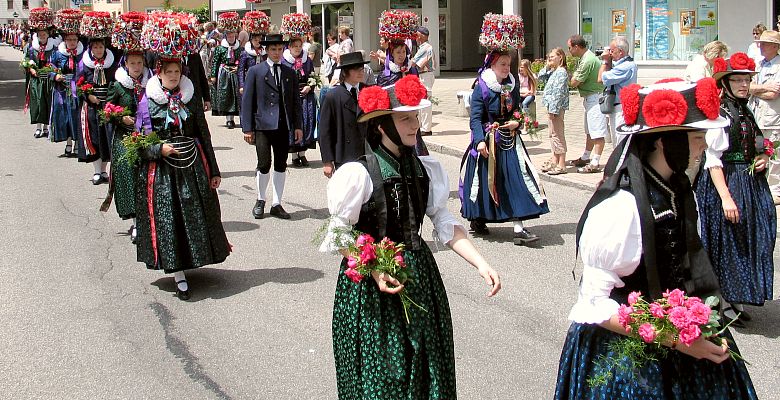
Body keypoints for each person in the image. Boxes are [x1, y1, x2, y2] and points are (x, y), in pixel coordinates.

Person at [554, 80, 756, 399]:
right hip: (628, 355)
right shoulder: (621, 208)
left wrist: (699, 328)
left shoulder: (678, 192)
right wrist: (679, 340)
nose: (704, 146)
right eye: (697, 137)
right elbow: (595, 304)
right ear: (665, 142)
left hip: (685, 342)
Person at [319, 76, 501, 399]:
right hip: (369, 289)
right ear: (381, 126)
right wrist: (373, 267)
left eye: (415, 116)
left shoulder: (425, 169)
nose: (414, 124)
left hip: (419, 278)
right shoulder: (360, 174)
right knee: (382, 376)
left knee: (424, 367)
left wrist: (481, 263)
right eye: (405, 118)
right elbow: (338, 232)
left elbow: (443, 221)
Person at [135, 13, 230, 301]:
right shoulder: (147, 102)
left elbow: (204, 135)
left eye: (177, 73)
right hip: (163, 171)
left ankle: (193, 259)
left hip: (193, 166)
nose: (174, 77)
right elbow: (138, 142)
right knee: (169, 218)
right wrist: (158, 149)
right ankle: (178, 274)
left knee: (195, 213)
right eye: (169, 73)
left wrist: (213, 170)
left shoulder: (190, 100)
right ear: (159, 74)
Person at [696, 54, 776, 327]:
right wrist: (726, 198)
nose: (743, 84)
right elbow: (712, 159)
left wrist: (764, 158)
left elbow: (755, 144)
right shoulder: (721, 113)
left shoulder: (745, 109)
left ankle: (737, 299)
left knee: (754, 238)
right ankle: (723, 303)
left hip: (749, 182)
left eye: (746, 80)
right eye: (737, 80)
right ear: (725, 83)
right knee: (729, 243)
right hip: (726, 182)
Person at [461, 50, 549, 244]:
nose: (506, 68)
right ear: (492, 66)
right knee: (486, 183)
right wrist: (480, 141)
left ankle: (519, 228)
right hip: (488, 142)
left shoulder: (512, 84)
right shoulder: (481, 87)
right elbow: (475, 119)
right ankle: (479, 218)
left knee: (517, 181)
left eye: (508, 64)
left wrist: (517, 122)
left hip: (509, 140)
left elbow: (517, 109)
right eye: (502, 64)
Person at [240, 33, 303, 220]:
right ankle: (260, 199)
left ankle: (277, 203)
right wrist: (247, 128)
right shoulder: (256, 71)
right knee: (264, 163)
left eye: (279, 49)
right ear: (266, 50)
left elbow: (295, 102)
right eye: (273, 49)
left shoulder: (289, 73)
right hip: (262, 126)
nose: (276, 53)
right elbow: (247, 101)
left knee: (281, 164)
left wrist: (298, 125)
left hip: (282, 125)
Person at [100, 12, 149, 244]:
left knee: (147, 179)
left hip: (147, 137)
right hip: (124, 139)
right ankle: (135, 224)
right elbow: (108, 111)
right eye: (133, 63)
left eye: (140, 63)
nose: (137, 67)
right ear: (126, 65)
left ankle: (149, 219)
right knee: (129, 179)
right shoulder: (119, 86)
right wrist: (122, 119)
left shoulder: (152, 85)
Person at [74, 12, 117, 185]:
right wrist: (88, 95)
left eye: (101, 47)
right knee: (93, 138)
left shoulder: (112, 64)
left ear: (105, 48)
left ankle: (105, 171)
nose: (98, 50)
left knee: (106, 138)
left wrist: (110, 100)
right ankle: (97, 171)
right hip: (90, 108)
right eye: (95, 48)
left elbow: (115, 84)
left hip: (107, 106)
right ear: (91, 49)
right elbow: (77, 84)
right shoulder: (84, 65)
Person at [318, 51, 371, 178]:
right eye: (356, 69)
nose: (360, 71)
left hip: (367, 152)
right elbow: (325, 131)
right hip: (343, 153)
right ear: (345, 71)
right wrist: (327, 161)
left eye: (362, 68)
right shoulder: (333, 96)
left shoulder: (368, 91)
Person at [568, 34, 607, 173]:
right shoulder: (584, 58)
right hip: (590, 98)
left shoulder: (587, 60)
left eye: (570, 48)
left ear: (577, 47)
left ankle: (595, 162)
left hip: (595, 98)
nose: (569, 51)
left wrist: (572, 78)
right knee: (590, 130)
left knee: (597, 131)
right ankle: (585, 157)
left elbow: (573, 82)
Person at [749, 30, 780, 203]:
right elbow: (747, 87)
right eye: (760, 43)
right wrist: (762, 88)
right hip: (757, 115)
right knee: (757, 150)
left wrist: (755, 89)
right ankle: (759, 187)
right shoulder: (759, 64)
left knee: (774, 154)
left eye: (765, 43)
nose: (760, 46)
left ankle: (775, 190)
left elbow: (774, 94)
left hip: (773, 118)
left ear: (775, 47)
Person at [49, 9, 83, 157]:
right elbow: (50, 69)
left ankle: (77, 144)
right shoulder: (57, 53)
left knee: (76, 115)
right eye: (69, 40)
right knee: (65, 116)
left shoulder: (83, 54)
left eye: (74, 40)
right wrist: (56, 76)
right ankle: (68, 142)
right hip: (62, 90)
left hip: (78, 88)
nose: (72, 42)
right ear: (65, 41)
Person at [282, 36, 318, 167]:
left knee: (306, 123)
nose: (297, 49)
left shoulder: (307, 60)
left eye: (299, 46)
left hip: (305, 96)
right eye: (295, 46)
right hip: (291, 97)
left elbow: (313, 75)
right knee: (293, 124)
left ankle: (302, 153)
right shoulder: (284, 61)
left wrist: (310, 86)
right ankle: (293, 155)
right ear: (289, 47)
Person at [598, 35, 638, 146]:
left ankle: (621, 163)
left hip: (621, 108)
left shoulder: (625, 67)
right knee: (616, 141)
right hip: (617, 106)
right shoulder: (623, 64)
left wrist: (605, 61)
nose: (610, 53)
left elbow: (600, 78)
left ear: (620, 51)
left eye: (612, 50)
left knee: (620, 142)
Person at [24, 8, 57, 139]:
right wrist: (31, 68)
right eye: (40, 35)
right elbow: (26, 60)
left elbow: (56, 62)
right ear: (37, 35)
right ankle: (38, 127)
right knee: (37, 103)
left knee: (48, 102)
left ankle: (46, 127)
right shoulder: (32, 48)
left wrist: (51, 70)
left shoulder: (53, 48)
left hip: (48, 79)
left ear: (48, 35)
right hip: (36, 80)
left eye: (44, 35)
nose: (42, 37)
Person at [537, 48, 570, 175]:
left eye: (552, 57)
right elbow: (541, 77)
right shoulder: (554, 71)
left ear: (560, 57)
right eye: (548, 57)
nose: (549, 59)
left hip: (555, 108)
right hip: (551, 107)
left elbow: (558, 92)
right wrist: (547, 66)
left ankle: (562, 164)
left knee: (557, 134)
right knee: (552, 134)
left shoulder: (561, 72)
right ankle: (555, 160)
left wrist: (553, 109)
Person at [210, 12, 243, 129]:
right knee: (226, 95)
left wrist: (238, 68)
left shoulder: (240, 48)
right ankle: (229, 119)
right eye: (229, 36)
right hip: (224, 73)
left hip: (235, 74)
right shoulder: (220, 48)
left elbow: (242, 61)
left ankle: (238, 117)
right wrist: (213, 76)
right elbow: (215, 62)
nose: (231, 38)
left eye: (232, 36)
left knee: (236, 96)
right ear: (225, 37)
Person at [238, 11, 270, 96]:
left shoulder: (265, 52)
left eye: (259, 40)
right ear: (251, 41)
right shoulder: (245, 53)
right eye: (255, 40)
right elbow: (241, 70)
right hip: (250, 80)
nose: (257, 42)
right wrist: (242, 85)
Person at [412, 26, 435, 136]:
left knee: (425, 101)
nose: (415, 37)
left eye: (417, 35)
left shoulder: (426, 48)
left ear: (422, 36)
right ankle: (423, 127)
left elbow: (415, 62)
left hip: (425, 76)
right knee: (421, 100)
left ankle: (426, 128)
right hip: (423, 75)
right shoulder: (423, 47)